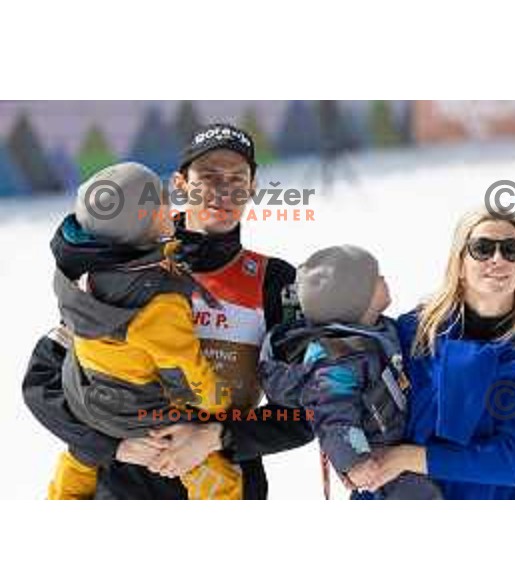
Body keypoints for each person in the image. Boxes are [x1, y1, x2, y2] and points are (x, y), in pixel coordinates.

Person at [23, 123, 314, 499]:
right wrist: (114, 446)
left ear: (253, 188)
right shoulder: (123, 265)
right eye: (209, 176)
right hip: (119, 486)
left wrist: (214, 436)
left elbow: (303, 412)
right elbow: (42, 379)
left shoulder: (274, 281)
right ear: (180, 184)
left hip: (226, 481)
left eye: (237, 178)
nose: (224, 190)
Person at [46, 161, 246, 500]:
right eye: (163, 200)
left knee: (79, 459)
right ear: (150, 220)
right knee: (217, 477)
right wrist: (216, 405)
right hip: (141, 416)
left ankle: (68, 484)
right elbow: (185, 370)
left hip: (86, 398)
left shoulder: (83, 278)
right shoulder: (159, 302)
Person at [367, 209, 515, 499]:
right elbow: (356, 393)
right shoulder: (414, 332)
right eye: (482, 248)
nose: (498, 258)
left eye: (512, 250)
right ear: (460, 263)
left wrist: (407, 457)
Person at [260, 245, 441, 499]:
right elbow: (332, 410)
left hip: (399, 442)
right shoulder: (338, 356)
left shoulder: (377, 329)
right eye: (375, 278)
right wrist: (353, 459)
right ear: (356, 297)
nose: (383, 279)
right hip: (376, 456)